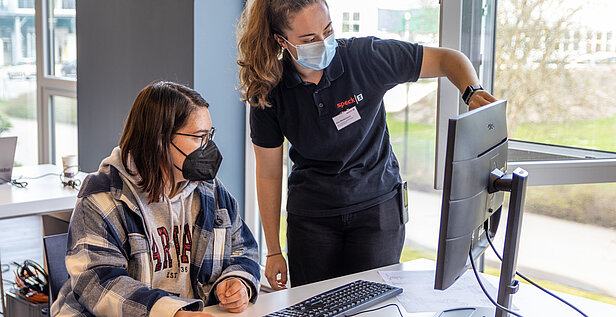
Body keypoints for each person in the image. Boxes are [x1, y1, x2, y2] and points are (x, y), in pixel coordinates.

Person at [237, 0, 497, 289]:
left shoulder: (364, 58)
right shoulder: (269, 90)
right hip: (312, 218)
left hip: (377, 209)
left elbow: (449, 59)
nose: (323, 43)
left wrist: (472, 91)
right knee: (314, 304)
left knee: (372, 303)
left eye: (328, 31)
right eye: (309, 40)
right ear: (282, 41)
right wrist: (273, 250)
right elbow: (269, 173)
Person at [51, 81, 260, 317]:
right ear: (160, 139)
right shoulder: (101, 199)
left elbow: (243, 249)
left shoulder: (211, 191)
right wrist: (169, 312)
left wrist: (237, 281)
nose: (208, 147)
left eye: (209, 135)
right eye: (198, 137)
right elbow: (98, 282)